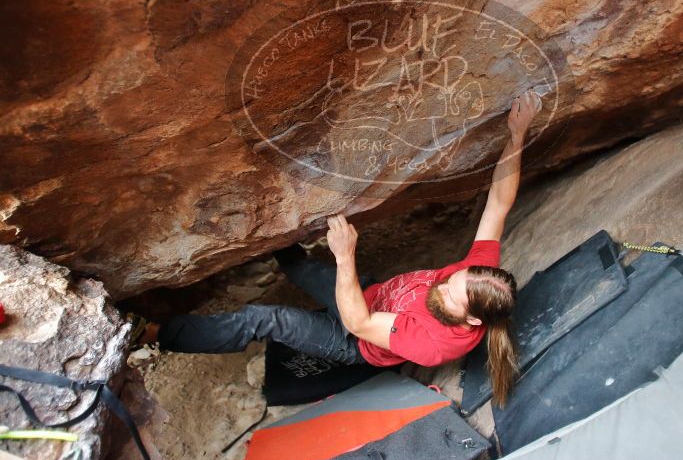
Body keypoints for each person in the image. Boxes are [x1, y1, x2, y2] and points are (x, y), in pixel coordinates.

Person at [133, 88, 540, 406]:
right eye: (455, 277)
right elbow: (499, 203)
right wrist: (517, 133)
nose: (445, 283)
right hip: (372, 294)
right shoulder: (475, 279)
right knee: (298, 267)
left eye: (452, 294)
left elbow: (359, 323)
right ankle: (261, 242)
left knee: (268, 318)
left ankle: (155, 333)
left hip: (353, 338)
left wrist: (345, 256)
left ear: (471, 322)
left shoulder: (433, 344)